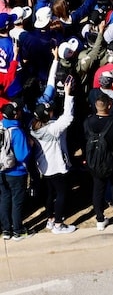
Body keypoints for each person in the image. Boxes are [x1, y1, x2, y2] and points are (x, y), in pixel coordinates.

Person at [30, 76, 76, 234]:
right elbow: (68, 117)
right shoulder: (52, 129)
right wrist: (69, 95)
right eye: (50, 111)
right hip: (55, 166)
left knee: (50, 192)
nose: (52, 112)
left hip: (44, 167)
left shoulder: (34, 127)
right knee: (62, 193)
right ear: (46, 116)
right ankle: (58, 224)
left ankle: (50, 219)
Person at [84, 91, 113, 232]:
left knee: (98, 190)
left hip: (95, 162)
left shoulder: (87, 122)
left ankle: (100, 219)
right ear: (109, 105)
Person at [0, 101, 30, 240]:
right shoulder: (17, 132)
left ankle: (6, 230)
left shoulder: (1, 127)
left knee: (4, 199)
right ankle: (18, 230)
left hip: (2, 170)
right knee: (17, 202)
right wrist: (29, 145)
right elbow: (22, 155)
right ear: (15, 115)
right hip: (16, 172)